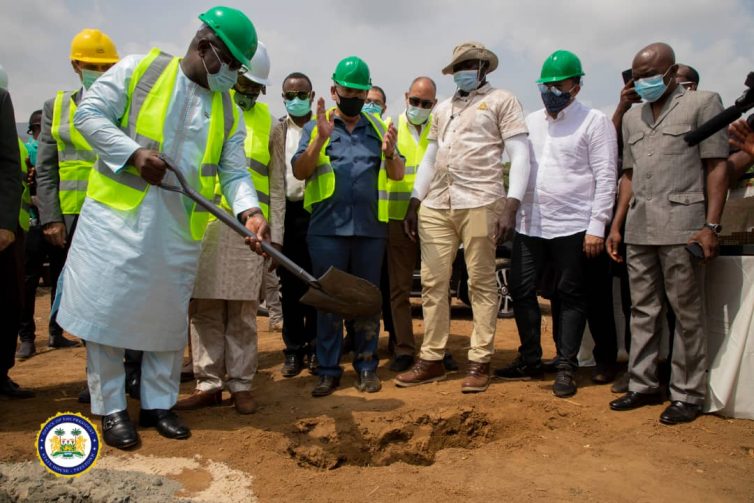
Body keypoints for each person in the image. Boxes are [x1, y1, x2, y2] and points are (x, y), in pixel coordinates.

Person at [57, 7, 267, 449]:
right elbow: (88, 116)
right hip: (118, 219)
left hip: (177, 228)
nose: (231, 75)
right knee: (109, 314)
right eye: (229, 64)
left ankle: (157, 405)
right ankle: (111, 408)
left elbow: (233, 171)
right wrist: (133, 155)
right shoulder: (141, 70)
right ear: (205, 47)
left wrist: (249, 212)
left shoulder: (227, 108)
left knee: (166, 319)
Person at [395, 41, 530, 393]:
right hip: (437, 203)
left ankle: (479, 360)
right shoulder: (442, 109)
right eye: (457, 66)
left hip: (482, 202)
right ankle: (432, 358)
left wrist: (511, 203)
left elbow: (519, 154)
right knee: (432, 282)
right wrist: (414, 200)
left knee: (480, 281)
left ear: (484, 67)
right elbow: (429, 158)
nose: (462, 71)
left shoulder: (503, 101)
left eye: (469, 64)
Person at [607, 42, 728, 425]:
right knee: (643, 310)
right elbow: (629, 175)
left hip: (684, 227)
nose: (642, 82)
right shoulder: (632, 118)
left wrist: (710, 226)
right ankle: (642, 384)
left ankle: (687, 393)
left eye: (649, 75)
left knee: (687, 313)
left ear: (673, 73)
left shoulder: (703, 103)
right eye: (636, 76)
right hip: (640, 228)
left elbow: (716, 168)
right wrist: (616, 224)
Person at [494, 50, 617, 398]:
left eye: (558, 85)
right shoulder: (530, 123)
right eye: (545, 85)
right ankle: (530, 358)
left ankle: (566, 366)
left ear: (575, 87)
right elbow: (519, 169)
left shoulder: (595, 122)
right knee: (520, 288)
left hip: (574, 224)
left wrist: (597, 226)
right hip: (531, 224)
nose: (550, 91)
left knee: (571, 294)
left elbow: (606, 178)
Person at [176, 43, 283, 415]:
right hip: (205, 221)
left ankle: (241, 384)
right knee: (204, 309)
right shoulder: (208, 110)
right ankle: (208, 384)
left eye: (257, 88)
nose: (251, 93)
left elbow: (277, 185)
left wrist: (276, 237)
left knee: (241, 312)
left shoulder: (270, 122)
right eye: (246, 85)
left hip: (250, 231)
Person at [292, 56, 405, 397]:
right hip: (326, 231)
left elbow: (397, 174)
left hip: (370, 231)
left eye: (360, 91)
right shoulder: (317, 126)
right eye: (348, 90)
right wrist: (319, 141)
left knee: (367, 302)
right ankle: (328, 370)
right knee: (330, 303)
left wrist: (389, 154)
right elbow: (300, 171)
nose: (354, 96)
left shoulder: (376, 126)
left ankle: (367, 366)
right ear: (334, 90)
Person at [35, 28, 123, 350]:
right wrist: (51, 218)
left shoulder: (123, 106)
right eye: (93, 67)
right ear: (76, 66)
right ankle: (89, 358)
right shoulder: (55, 107)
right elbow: (45, 169)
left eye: (106, 68)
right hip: (71, 214)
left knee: (112, 288)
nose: (100, 74)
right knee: (78, 288)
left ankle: (115, 360)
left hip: (113, 210)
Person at [385, 76, 437, 372]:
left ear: (435, 105)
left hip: (434, 218)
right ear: (406, 97)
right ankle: (404, 348)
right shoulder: (390, 126)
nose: (419, 107)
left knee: (435, 288)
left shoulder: (441, 129)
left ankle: (434, 349)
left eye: (425, 103)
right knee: (399, 289)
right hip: (397, 218)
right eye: (415, 101)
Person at [270, 72, 318, 377]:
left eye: (302, 94)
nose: (296, 100)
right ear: (283, 98)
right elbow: (276, 178)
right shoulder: (277, 131)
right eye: (290, 95)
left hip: (316, 213)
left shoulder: (323, 128)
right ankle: (293, 350)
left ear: (312, 97)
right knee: (289, 287)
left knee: (316, 283)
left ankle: (315, 348)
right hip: (287, 214)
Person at [0, 81, 35, 399]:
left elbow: (9, 168)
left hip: (5, 229)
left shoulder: (0, 99)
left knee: (9, 300)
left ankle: (1, 372)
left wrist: (5, 223)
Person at [16, 110, 50, 360]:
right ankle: (26, 337)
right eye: (37, 130)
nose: (40, 135)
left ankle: (56, 331)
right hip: (32, 224)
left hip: (55, 220)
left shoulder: (54, 149)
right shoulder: (26, 150)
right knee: (28, 281)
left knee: (61, 278)